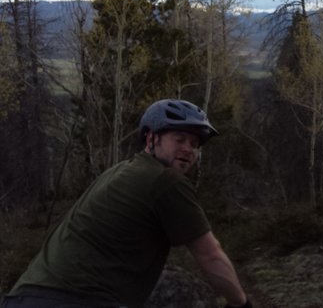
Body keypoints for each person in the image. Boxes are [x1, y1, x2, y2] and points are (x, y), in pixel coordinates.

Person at [1, 99, 252, 308]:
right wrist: (241, 304)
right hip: (78, 300)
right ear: (151, 138)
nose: (188, 149)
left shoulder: (119, 171)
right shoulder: (165, 180)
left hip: (24, 296)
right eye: (180, 138)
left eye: (195, 144)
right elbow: (210, 255)